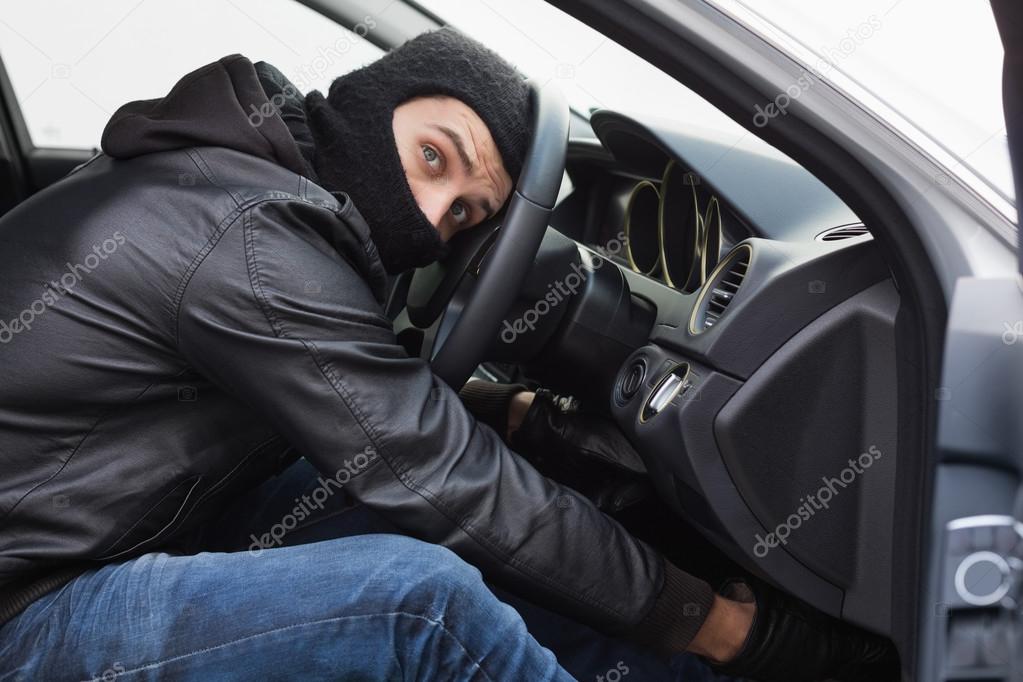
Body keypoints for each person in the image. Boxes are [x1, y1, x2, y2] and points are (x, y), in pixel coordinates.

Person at [0, 28, 895, 681]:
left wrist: (508, 415)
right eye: (435, 157)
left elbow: (357, 407)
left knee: (403, 518)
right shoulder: (246, 236)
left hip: (104, 529)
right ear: (373, 102)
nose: (433, 220)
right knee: (417, 598)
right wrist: (721, 627)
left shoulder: (248, 184)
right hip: (24, 611)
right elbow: (439, 472)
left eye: (467, 214)